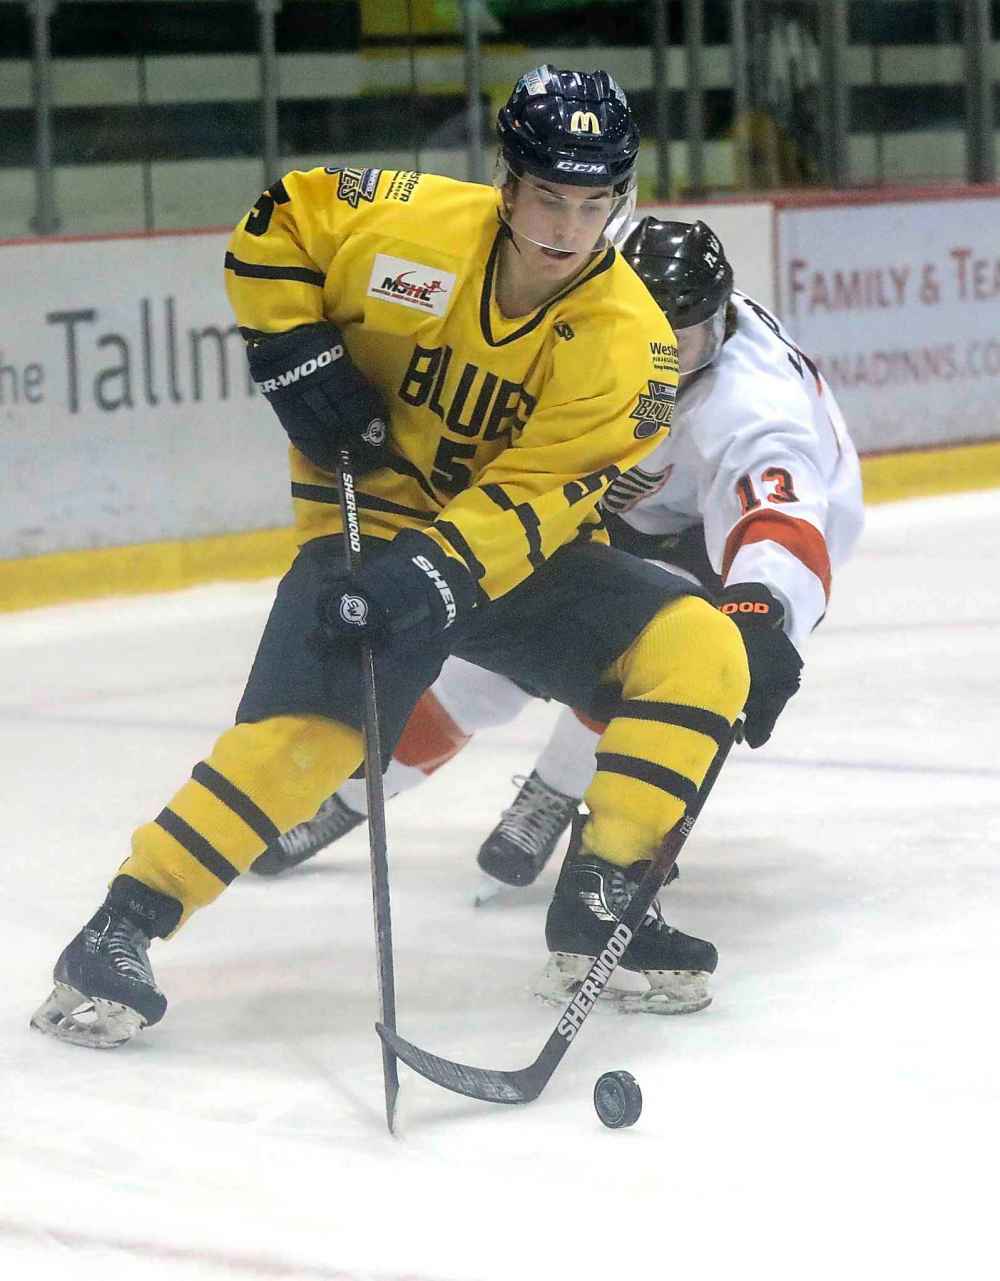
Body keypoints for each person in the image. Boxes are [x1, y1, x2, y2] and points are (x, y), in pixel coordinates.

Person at [32, 69, 750, 1048]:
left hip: (504, 557)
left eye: (592, 205)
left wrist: (438, 568)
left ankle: (601, 911)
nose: (564, 228)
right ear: (507, 184)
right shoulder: (405, 226)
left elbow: (543, 497)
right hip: (360, 517)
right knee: (316, 738)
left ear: (617, 202)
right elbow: (276, 221)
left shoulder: (628, 344)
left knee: (698, 647)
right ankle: (118, 931)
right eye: (547, 196)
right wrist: (291, 349)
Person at [254, 217, 864, 998]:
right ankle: (343, 798)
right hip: (624, 516)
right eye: (659, 335)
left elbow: (776, 508)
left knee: (659, 668)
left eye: (693, 338)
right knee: (483, 675)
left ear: (724, 322)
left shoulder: (751, 402)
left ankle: (570, 815)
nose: (672, 358)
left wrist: (763, 605)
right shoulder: (588, 314)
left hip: (743, 538)